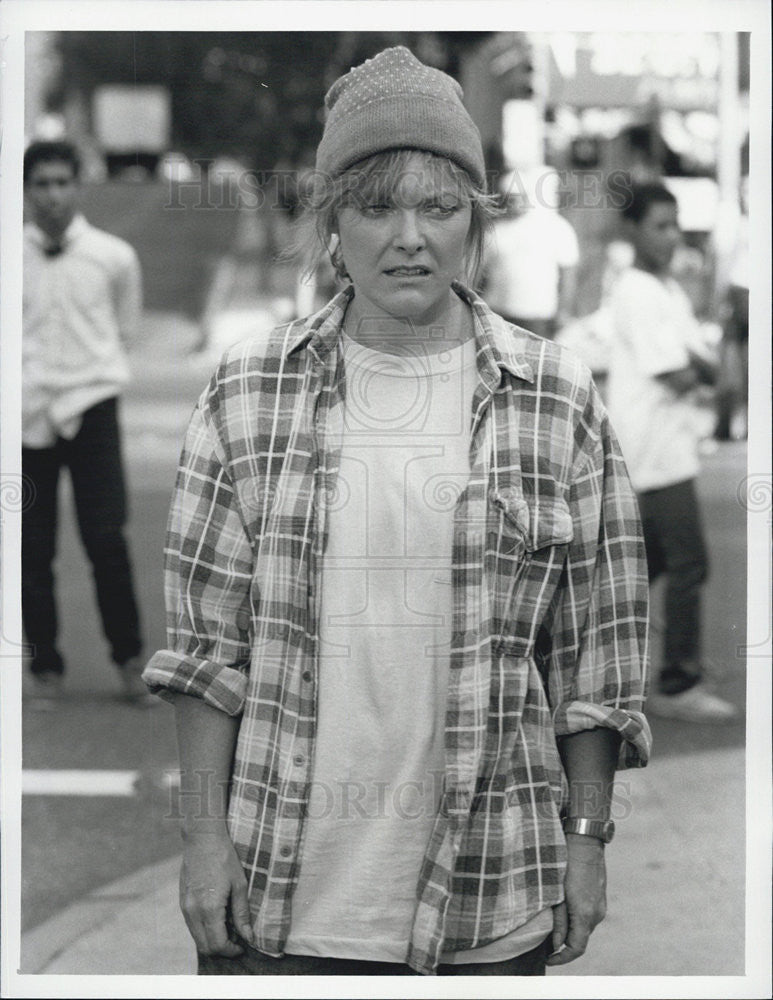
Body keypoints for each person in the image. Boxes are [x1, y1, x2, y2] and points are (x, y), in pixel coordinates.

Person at [143, 46, 651, 977]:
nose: (407, 236)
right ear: (333, 220)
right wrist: (203, 842)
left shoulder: (556, 397)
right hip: (278, 900)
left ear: (476, 223)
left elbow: (595, 658)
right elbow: (208, 657)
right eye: (375, 206)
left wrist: (585, 841)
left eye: (438, 205)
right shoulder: (249, 392)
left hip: (491, 900)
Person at [606, 181, 738, 724]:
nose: (671, 236)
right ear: (633, 231)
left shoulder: (669, 292)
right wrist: (703, 370)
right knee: (688, 565)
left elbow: (709, 366)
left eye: (674, 224)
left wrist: (705, 369)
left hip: (667, 451)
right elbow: (687, 372)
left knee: (643, 570)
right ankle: (677, 682)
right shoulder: (635, 290)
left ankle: (604, 674)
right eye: (659, 226)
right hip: (651, 455)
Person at [22, 139, 149, 703]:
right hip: (25, 412)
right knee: (31, 548)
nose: (51, 195)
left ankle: (128, 661)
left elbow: (125, 329)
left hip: (93, 403)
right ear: (26, 190)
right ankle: (44, 669)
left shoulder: (113, 256)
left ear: (77, 185)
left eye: (60, 182)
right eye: (40, 184)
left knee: (106, 540)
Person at [482, 166, 579, 339]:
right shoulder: (494, 231)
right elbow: (478, 271)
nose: (515, 203)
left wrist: (564, 312)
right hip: (498, 313)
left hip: (539, 316)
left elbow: (569, 274)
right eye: (510, 199)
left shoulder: (556, 227)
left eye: (520, 198)